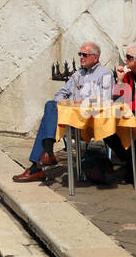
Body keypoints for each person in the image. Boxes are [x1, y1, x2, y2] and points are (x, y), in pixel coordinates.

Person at [13, 43, 114, 182]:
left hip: (89, 121)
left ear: (95, 57)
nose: (81, 58)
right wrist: (62, 102)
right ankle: (46, 154)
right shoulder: (78, 74)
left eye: (85, 55)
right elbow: (62, 93)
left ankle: (39, 164)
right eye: (80, 54)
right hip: (71, 118)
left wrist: (79, 103)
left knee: (47, 124)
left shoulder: (105, 74)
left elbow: (104, 100)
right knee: (51, 106)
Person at [96, 43, 136, 182]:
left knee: (130, 132)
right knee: (107, 131)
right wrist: (120, 80)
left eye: (129, 57)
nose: (125, 60)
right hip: (129, 117)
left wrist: (119, 106)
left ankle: (134, 174)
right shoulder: (129, 75)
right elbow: (117, 96)